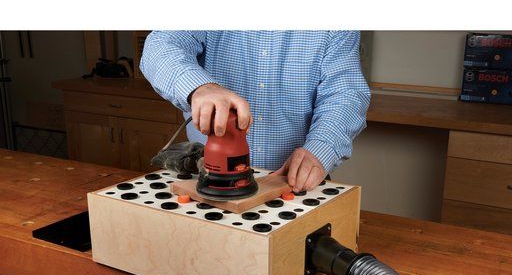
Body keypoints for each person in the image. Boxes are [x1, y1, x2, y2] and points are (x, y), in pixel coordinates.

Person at [140, 31, 370, 193]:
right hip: (206, 180)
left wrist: (321, 148)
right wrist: (199, 87)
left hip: (294, 183)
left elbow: (345, 94)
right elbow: (160, 45)